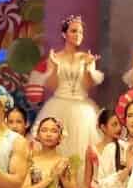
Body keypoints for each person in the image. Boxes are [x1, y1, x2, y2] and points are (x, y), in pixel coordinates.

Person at [37, 15, 104, 170]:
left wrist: (88, 68)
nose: (78, 35)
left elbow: (87, 85)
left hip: (82, 107)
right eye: (73, 31)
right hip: (59, 103)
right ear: (64, 34)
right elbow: (52, 85)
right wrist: (55, 67)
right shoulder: (55, 57)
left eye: (80, 32)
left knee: (82, 148)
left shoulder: (87, 57)